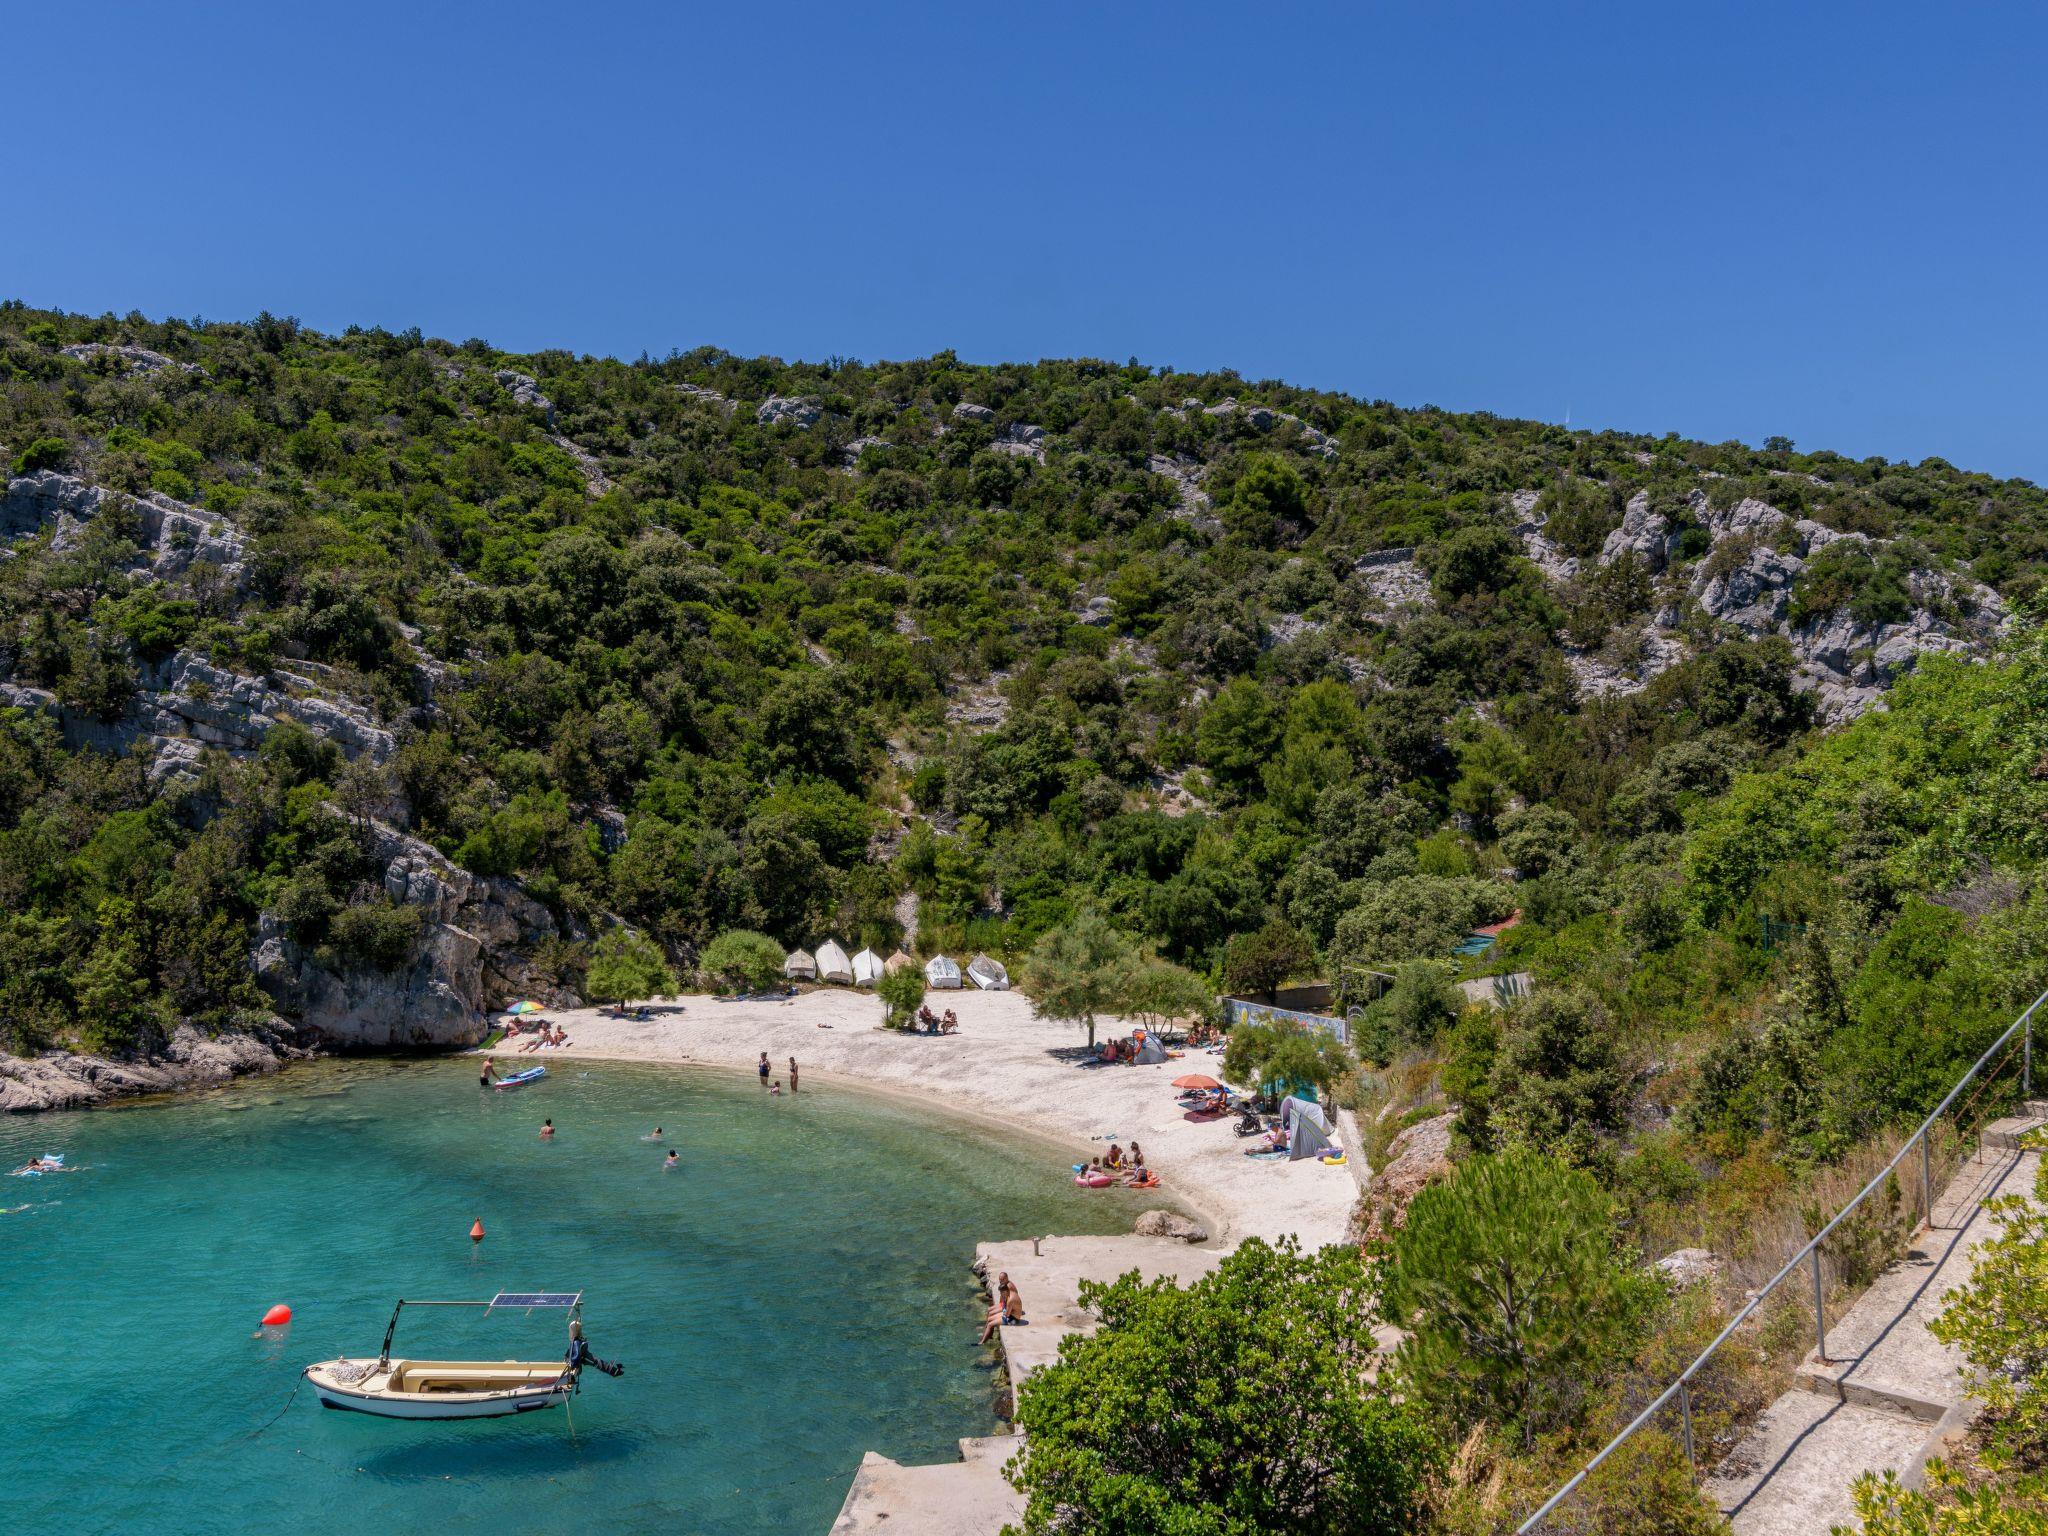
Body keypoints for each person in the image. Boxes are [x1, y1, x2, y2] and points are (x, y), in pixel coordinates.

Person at [978, 1273, 1013, 1345]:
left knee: (991, 1318)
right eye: (1000, 1280)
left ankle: (983, 1340)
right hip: (1005, 1306)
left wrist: (1001, 1312)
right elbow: (1003, 1299)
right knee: (989, 1311)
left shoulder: (1009, 1287)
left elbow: (1009, 1309)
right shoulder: (1004, 1286)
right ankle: (988, 1333)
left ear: (1006, 1278)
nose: (1000, 1281)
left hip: (1008, 1311)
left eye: (1002, 1280)